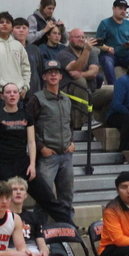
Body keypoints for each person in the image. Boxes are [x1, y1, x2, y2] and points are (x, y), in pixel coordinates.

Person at [0, 83, 72, 223]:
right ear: (2, 96)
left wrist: (32, 165)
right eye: (8, 92)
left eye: (15, 92)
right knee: (3, 202)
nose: (12, 95)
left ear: (19, 95)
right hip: (3, 165)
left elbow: (32, 142)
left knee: (48, 197)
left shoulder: (26, 115)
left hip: (23, 163)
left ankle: (70, 227)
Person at [28, 60, 77, 216]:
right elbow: (28, 127)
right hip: (48, 157)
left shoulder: (66, 100)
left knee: (67, 196)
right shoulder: (37, 99)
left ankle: (67, 227)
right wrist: (42, 148)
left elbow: (71, 124)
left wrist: (72, 143)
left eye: (56, 72)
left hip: (66, 155)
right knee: (44, 196)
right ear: (44, 77)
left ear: (61, 76)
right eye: (50, 72)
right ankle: (40, 229)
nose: (53, 75)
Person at [0, 11, 31, 93]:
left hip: (17, 92)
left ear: (12, 27)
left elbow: (26, 68)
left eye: (8, 22)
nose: (4, 24)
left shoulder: (18, 45)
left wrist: (25, 87)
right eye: (1, 22)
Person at [96, 0, 129, 85]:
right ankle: (113, 87)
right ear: (113, 8)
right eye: (120, 8)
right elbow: (98, 43)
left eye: (125, 9)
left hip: (126, 55)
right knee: (107, 62)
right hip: (110, 55)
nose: (123, 11)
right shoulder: (105, 23)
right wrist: (107, 48)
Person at [14, 18, 43, 95]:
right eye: (17, 27)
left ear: (28, 31)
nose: (21, 30)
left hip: (33, 91)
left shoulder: (35, 49)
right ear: (12, 30)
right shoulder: (8, 48)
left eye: (24, 28)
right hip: (14, 91)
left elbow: (40, 71)